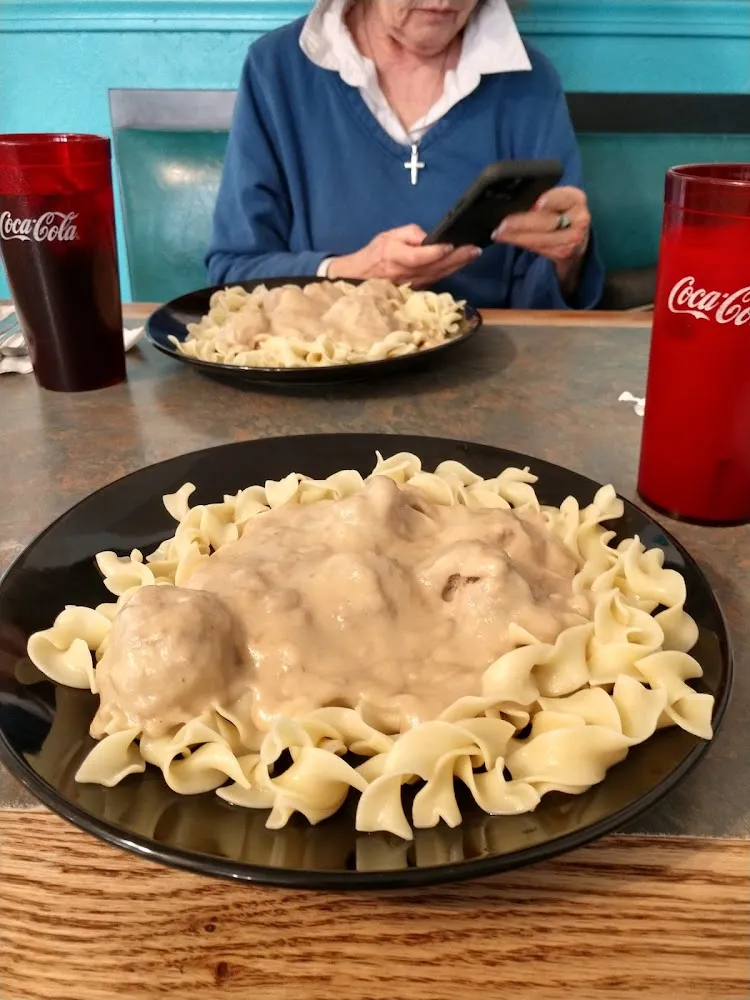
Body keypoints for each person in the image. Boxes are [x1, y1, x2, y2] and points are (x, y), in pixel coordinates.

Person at [207, 0, 604, 310]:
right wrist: (348, 273)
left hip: (485, 374)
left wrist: (567, 258)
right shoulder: (277, 70)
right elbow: (234, 274)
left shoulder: (529, 81)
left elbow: (542, 318)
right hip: (319, 377)